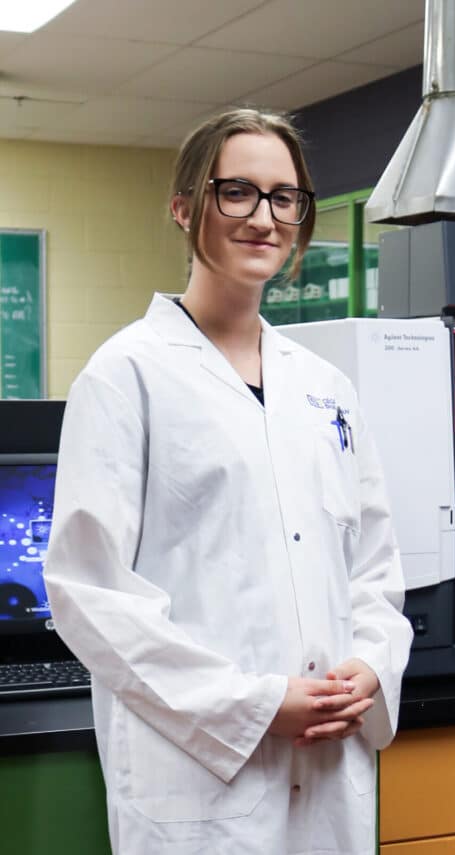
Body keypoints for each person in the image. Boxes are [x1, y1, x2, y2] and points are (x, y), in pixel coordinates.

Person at [44, 108, 413, 855]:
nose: (265, 217)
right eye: (237, 191)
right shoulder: (126, 376)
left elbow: (373, 567)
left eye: (285, 197)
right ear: (184, 208)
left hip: (328, 766)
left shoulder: (328, 388)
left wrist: (371, 665)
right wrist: (254, 703)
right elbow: (91, 593)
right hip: (202, 783)